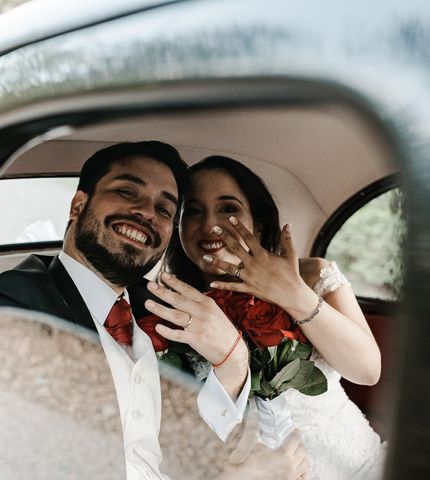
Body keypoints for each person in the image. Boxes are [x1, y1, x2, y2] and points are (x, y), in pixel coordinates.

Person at [0, 143, 307, 479]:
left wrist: (233, 363)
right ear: (78, 205)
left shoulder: (159, 305)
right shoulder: (18, 303)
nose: (146, 213)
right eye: (128, 192)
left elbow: (186, 446)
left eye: (164, 210)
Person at [143, 155, 386, 479]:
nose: (210, 225)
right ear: (179, 227)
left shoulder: (312, 274)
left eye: (228, 208)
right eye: (194, 211)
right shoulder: (170, 308)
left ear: (257, 222)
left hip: (361, 468)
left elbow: (367, 372)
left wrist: (294, 296)